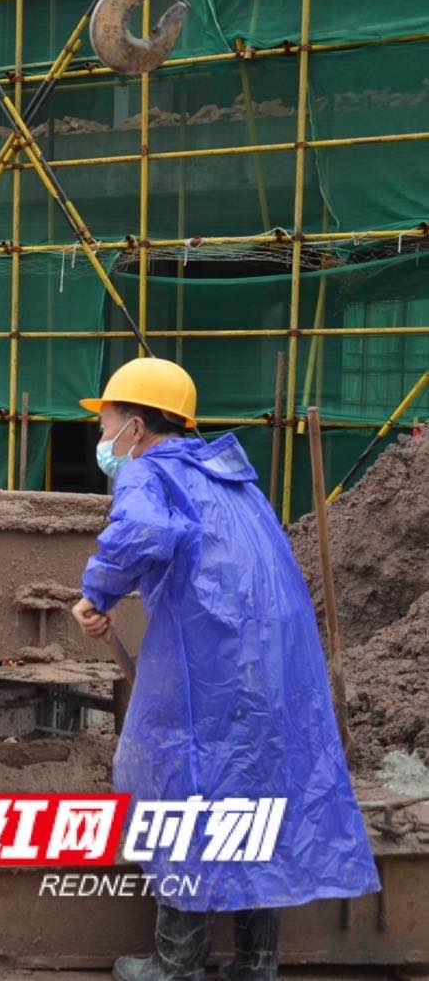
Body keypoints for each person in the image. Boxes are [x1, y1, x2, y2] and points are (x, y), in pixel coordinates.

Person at [71, 357, 379, 981]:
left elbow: (142, 532)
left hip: (207, 652)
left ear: (134, 425)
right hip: (277, 652)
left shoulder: (147, 473)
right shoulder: (228, 473)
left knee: (179, 781)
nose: (100, 437)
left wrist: (98, 593)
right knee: (260, 784)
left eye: (103, 422)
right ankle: (255, 963)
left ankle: (175, 963)